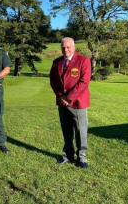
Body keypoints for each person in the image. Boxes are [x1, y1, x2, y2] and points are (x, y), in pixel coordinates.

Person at [49, 37, 91, 169]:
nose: (65, 50)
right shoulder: (56, 62)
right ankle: (67, 156)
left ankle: (82, 158)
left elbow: (84, 82)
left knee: (80, 131)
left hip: (78, 102)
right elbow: (53, 81)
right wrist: (61, 96)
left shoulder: (83, 61)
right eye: (63, 47)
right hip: (62, 102)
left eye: (68, 47)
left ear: (74, 47)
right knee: (66, 130)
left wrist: (69, 97)